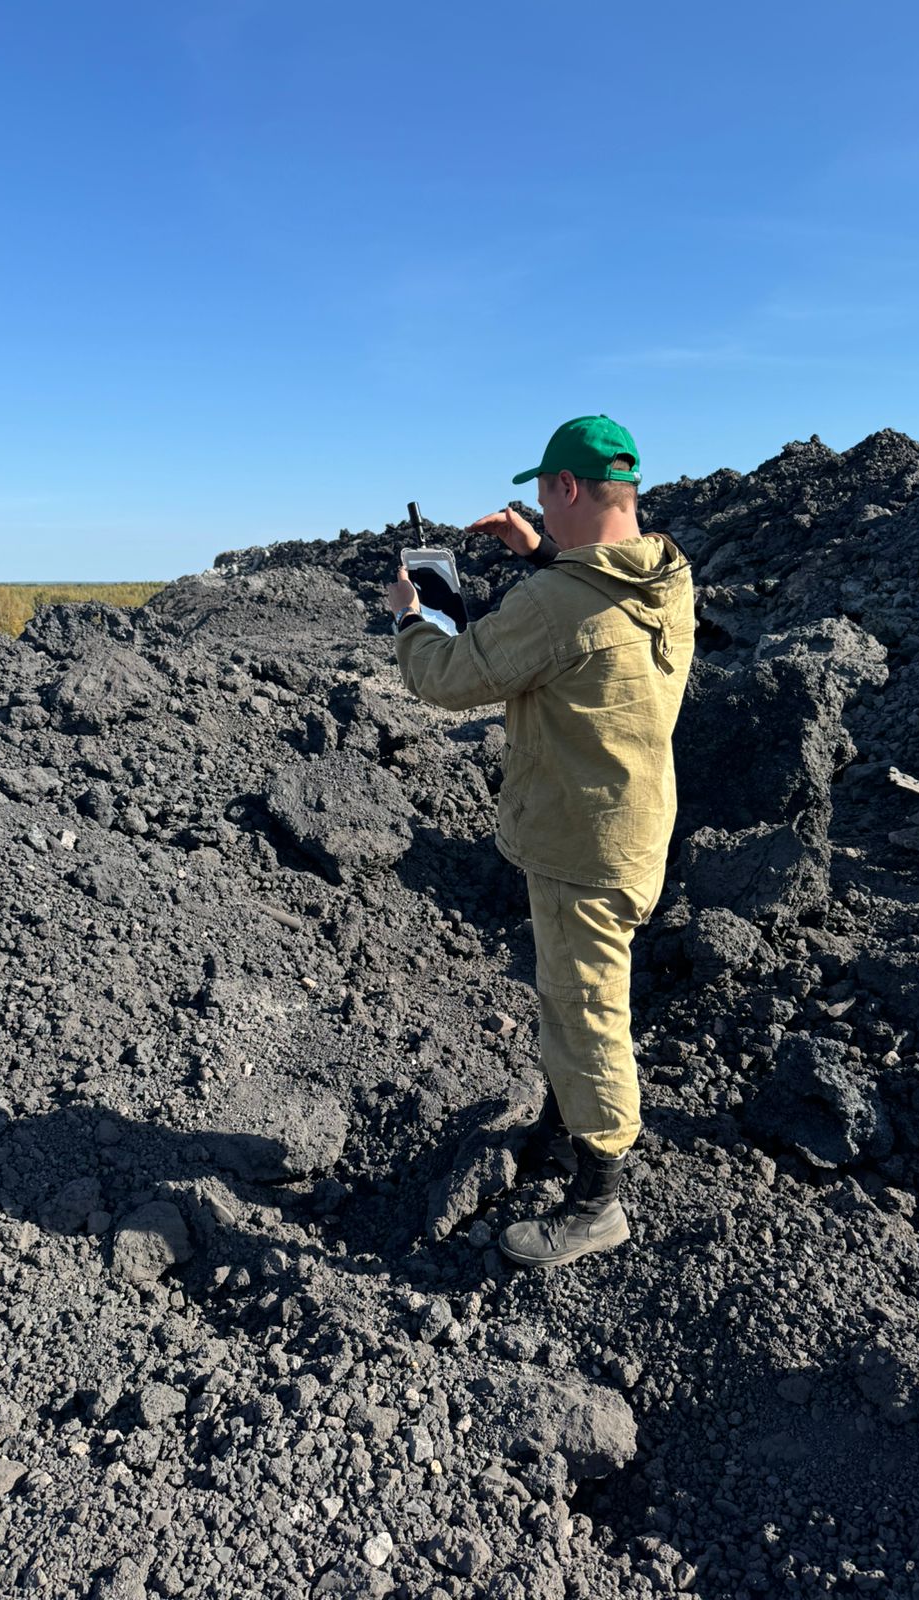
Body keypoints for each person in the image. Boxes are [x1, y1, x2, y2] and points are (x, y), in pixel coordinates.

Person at [385, 415, 695, 1267]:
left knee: (587, 1009)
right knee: (572, 994)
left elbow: (449, 677)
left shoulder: (555, 604)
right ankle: (564, 1131)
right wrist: (538, 553)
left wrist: (411, 617)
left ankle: (598, 1201)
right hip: (636, 825)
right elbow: (596, 598)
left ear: (566, 486)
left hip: (578, 844)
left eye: (545, 499)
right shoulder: (667, 572)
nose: (541, 512)